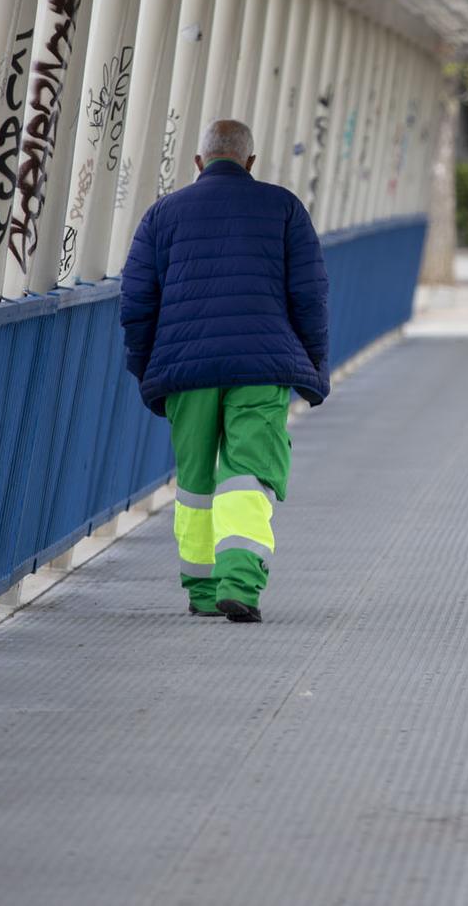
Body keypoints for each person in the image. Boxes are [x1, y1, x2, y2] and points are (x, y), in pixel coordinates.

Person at [119, 118, 329, 623]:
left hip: (185, 369)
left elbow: (136, 302)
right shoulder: (282, 207)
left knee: (194, 481)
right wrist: (315, 364)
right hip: (260, 363)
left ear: (199, 162)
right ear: (250, 162)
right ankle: (241, 581)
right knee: (249, 472)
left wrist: (147, 367)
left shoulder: (160, 215)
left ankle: (203, 588)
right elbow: (310, 294)